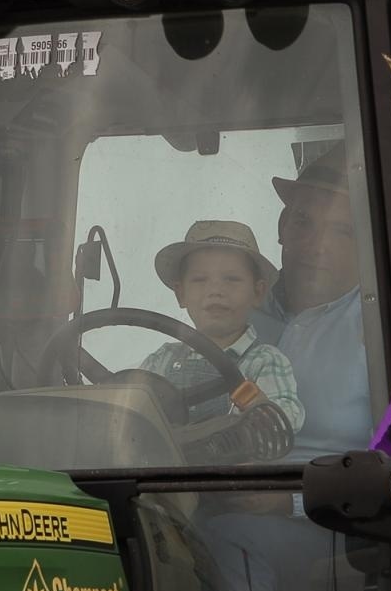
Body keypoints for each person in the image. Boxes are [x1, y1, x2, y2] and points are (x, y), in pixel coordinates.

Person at [253, 143, 372, 459]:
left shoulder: (385, 327)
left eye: (342, 231)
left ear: (367, 244)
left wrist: (288, 501)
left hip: (336, 507)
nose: (317, 245)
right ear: (282, 226)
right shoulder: (238, 311)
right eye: (303, 222)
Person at [139, 220, 304, 434]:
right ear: (181, 294)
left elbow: (284, 420)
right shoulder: (160, 360)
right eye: (200, 280)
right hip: (163, 467)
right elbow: (127, 413)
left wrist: (259, 408)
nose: (216, 290)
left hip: (236, 467)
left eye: (232, 279)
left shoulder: (265, 361)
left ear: (258, 293)